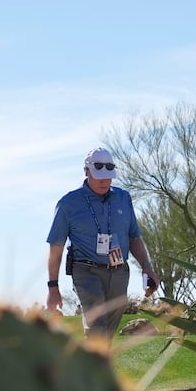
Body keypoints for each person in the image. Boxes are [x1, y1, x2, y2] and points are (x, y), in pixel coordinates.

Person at [46, 147, 159, 343]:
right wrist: (53, 287)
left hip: (119, 272)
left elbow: (134, 237)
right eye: (99, 176)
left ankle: (91, 367)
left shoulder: (123, 198)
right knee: (97, 327)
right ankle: (96, 370)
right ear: (87, 171)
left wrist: (147, 268)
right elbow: (56, 248)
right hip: (86, 271)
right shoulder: (68, 204)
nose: (105, 181)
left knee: (107, 332)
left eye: (109, 176)